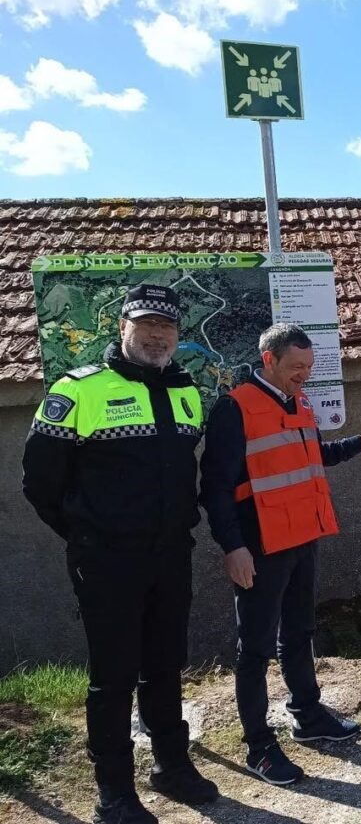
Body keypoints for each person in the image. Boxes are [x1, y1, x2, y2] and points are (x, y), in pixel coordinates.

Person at [23, 284, 218, 824]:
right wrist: (87, 537)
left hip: (170, 557)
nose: (157, 334)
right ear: (123, 327)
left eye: (167, 326)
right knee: (114, 677)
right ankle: (114, 793)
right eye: (146, 324)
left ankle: (172, 768)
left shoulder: (185, 390)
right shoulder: (78, 390)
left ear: (178, 334)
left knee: (165, 665)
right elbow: (40, 482)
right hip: (107, 561)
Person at [199, 323, 361, 787]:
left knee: (300, 630)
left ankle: (307, 715)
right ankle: (259, 747)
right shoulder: (234, 407)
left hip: (302, 536)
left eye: (308, 367)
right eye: (295, 367)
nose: (304, 375)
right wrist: (233, 547)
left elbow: (311, 457)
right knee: (256, 648)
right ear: (269, 360)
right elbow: (215, 487)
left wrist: (359, 444)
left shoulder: (298, 401)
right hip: (259, 547)